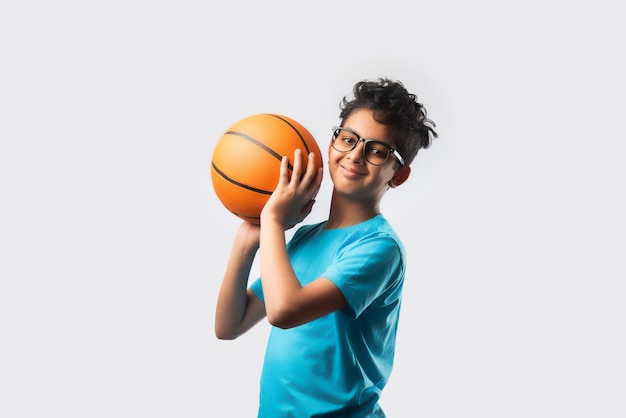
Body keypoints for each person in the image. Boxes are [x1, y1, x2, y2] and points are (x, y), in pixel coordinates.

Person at [214, 77, 438, 417]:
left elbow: (285, 311)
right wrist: (247, 242)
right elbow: (229, 326)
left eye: (377, 151)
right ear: (332, 143)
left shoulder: (379, 248)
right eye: (348, 139)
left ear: (398, 175)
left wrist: (272, 219)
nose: (355, 155)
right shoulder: (306, 238)